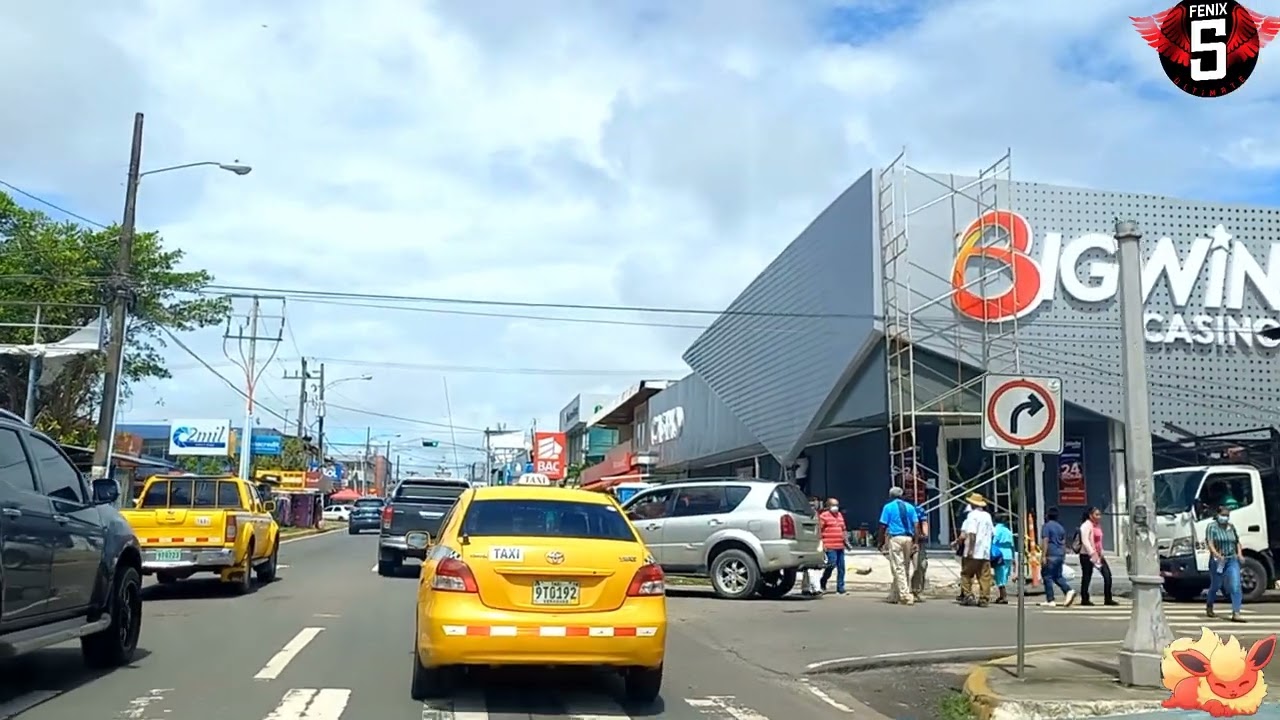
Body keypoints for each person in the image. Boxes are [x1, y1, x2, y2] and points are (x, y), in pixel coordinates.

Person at [1206, 504, 1247, 623]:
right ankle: (1210, 605)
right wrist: (1216, 554)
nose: (1225, 517)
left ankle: (1236, 612)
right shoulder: (1212, 527)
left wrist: (1239, 554)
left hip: (1231, 559)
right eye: (1223, 515)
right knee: (1216, 585)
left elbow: (1237, 542)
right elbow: (1210, 542)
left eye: (1227, 515)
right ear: (1217, 515)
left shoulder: (1231, 527)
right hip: (1218, 561)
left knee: (1235, 585)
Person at [879, 486, 919, 606]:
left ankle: (905, 595)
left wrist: (880, 541)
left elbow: (883, 526)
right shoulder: (910, 507)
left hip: (896, 538)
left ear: (890, 496)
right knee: (905, 566)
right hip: (908, 537)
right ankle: (894, 594)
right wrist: (916, 541)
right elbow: (916, 525)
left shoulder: (888, 507)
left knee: (898, 567)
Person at [958, 493, 995, 607]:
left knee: (966, 574)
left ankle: (968, 595)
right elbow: (992, 533)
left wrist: (970, 550)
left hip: (974, 550)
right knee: (984, 576)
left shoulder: (972, 516)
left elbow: (972, 534)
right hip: (985, 551)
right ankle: (984, 598)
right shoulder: (987, 516)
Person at [1076, 506, 1117, 606]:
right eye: (1096, 514)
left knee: (1107, 575)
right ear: (1090, 515)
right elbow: (1085, 541)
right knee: (1087, 577)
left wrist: (1101, 552)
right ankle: (1085, 599)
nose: (1099, 517)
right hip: (1087, 555)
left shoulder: (1097, 525)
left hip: (1098, 555)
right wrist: (1092, 553)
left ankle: (1108, 598)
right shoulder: (1086, 525)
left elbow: (1099, 541)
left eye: (1099, 514)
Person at [1038, 507, 1076, 607]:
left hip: (1051, 554)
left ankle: (1050, 599)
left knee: (1047, 576)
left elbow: (1045, 540)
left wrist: (1043, 556)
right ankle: (1068, 590)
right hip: (1059, 554)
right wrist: (1063, 555)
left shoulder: (1046, 526)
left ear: (1047, 515)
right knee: (1057, 576)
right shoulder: (1060, 527)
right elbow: (1063, 543)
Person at [818, 497, 847, 595]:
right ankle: (823, 580)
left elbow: (843, 529)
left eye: (837, 505)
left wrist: (846, 541)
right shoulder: (824, 516)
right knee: (831, 564)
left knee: (841, 567)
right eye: (833, 505)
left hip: (840, 545)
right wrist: (822, 543)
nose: (836, 507)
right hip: (829, 545)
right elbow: (819, 531)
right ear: (828, 506)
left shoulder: (839, 515)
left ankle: (840, 588)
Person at [991, 514, 1016, 604]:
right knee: (1004, 575)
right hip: (1008, 554)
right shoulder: (1008, 531)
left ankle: (1003, 596)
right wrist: (1013, 558)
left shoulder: (996, 529)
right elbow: (1013, 546)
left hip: (999, 553)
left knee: (999, 575)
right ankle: (1001, 596)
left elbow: (993, 541)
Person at [803, 497, 825, 596]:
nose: (813, 506)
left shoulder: (818, 515)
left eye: (814, 504)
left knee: (813, 567)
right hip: (807, 542)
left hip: (816, 542)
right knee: (810, 567)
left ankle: (808, 587)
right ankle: (814, 588)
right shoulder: (803, 515)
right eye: (811, 505)